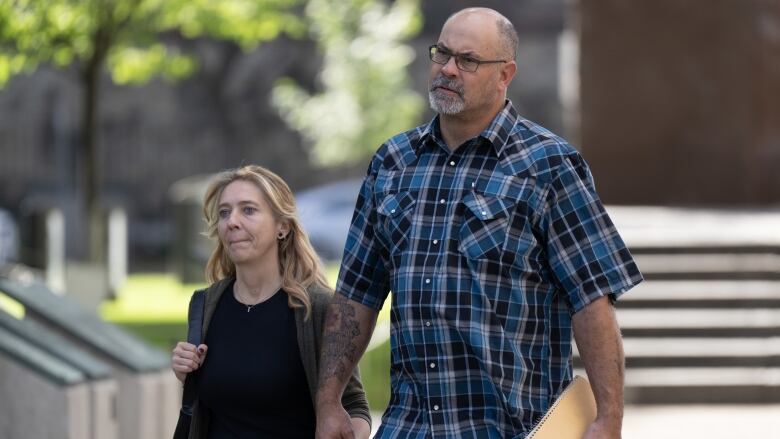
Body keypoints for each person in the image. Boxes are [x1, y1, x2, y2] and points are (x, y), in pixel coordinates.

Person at [315, 7, 642, 439]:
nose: (448, 69)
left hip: (513, 428)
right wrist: (329, 401)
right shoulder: (393, 162)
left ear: (505, 74)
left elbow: (591, 301)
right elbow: (356, 294)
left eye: (467, 60)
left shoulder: (550, 165)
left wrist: (608, 418)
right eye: (442, 54)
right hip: (410, 427)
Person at [171, 165, 371, 439]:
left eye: (248, 210)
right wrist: (189, 375)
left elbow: (354, 407)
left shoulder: (318, 310)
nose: (232, 222)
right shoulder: (206, 305)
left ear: (283, 226)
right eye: (224, 212)